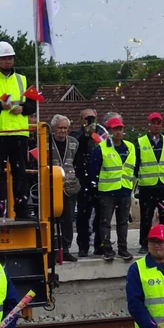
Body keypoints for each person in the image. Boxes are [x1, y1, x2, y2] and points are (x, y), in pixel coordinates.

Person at [0, 41, 37, 221]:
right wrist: (0, 106)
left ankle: (21, 211)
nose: (8, 61)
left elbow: (33, 104)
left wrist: (23, 109)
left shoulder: (23, 79)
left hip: (19, 133)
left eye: (10, 58)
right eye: (4, 58)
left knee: (20, 174)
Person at [91, 115, 138, 263]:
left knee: (123, 222)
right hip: (107, 190)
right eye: (115, 129)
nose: (118, 132)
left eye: (120, 129)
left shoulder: (130, 147)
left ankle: (123, 248)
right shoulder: (102, 148)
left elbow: (133, 167)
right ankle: (107, 249)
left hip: (124, 189)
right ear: (110, 131)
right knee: (105, 222)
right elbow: (94, 169)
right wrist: (95, 186)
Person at [136, 112, 164, 250]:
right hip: (148, 186)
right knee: (146, 217)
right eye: (153, 123)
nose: (156, 126)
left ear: (162, 125)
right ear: (149, 125)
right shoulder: (141, 142)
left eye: (158, 123)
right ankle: (144, 243)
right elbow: (136, 164)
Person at [74, 108, 105, 258]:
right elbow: (76, 145)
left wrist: (94, 134)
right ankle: (83, 246)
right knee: (83, 215)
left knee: (101, 215)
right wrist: (87, 133)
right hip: (83, 180)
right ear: (81, 119)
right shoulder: (76, 134)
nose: (90, 121)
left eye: (92, 118)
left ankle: (100, 245)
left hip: (100, 179)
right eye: (87, 118)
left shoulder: (102, 134)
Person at [49, 115, 79, 261]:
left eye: (65, 128)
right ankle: (52, 249)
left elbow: (79, 162)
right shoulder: (45, 141)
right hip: (50, 187)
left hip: (69, 187)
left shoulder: (74, 143)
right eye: (60, 127)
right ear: (53, 128)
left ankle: (65, 249)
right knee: (51, 219)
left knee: (67, 219)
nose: (63, 131)